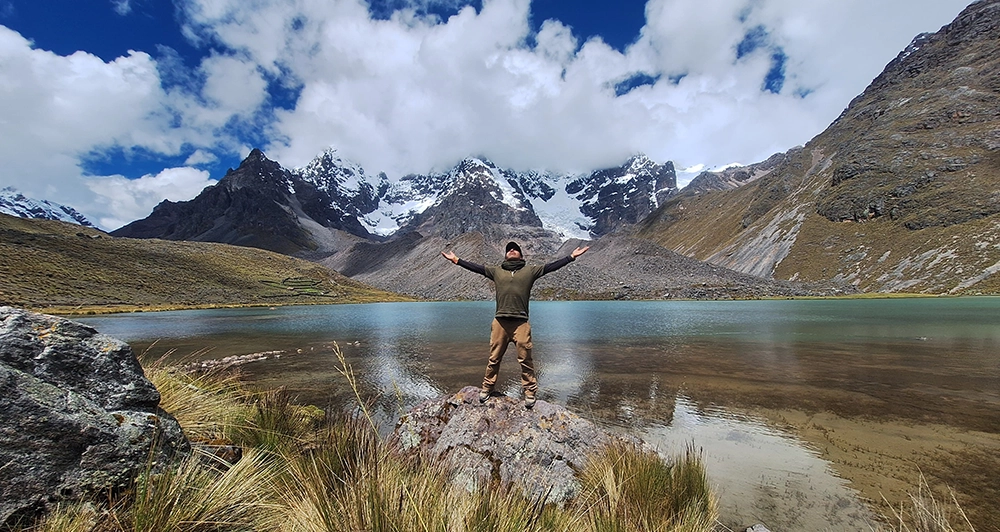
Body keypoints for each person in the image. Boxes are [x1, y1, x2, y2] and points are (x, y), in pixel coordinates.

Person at [441, 241, 590, 408]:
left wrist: (571, 257)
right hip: (500, 322)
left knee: (526, 359)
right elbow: (476, 268)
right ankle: (487, 387)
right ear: (505, 255)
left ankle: (530, 392)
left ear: (521, 254)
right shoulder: (496, 271)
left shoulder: (530, 271)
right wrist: (456, 260)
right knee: (494, 358)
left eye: (515, 249)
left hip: (521, 323)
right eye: (509, 249)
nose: (511, 250)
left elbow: (551, 267)